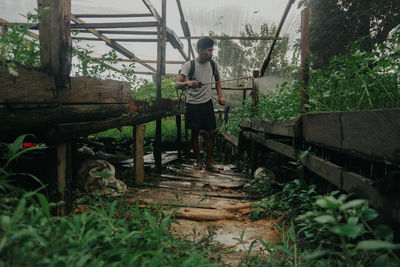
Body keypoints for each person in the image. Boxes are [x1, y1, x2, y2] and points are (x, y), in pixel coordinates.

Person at [175, 36, 225, 172]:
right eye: (208, 50)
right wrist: (188, 82)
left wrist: (220, 96)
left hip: (207, 102)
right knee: (195, 133)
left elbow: (218, 80)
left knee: (211, 132)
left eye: (212, 50)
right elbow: (177, 84)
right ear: (200, 50)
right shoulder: (189, 65)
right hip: (193, 104)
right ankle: (198, 162)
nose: (211, 53)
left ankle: (209, 163)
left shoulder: (213, 64)